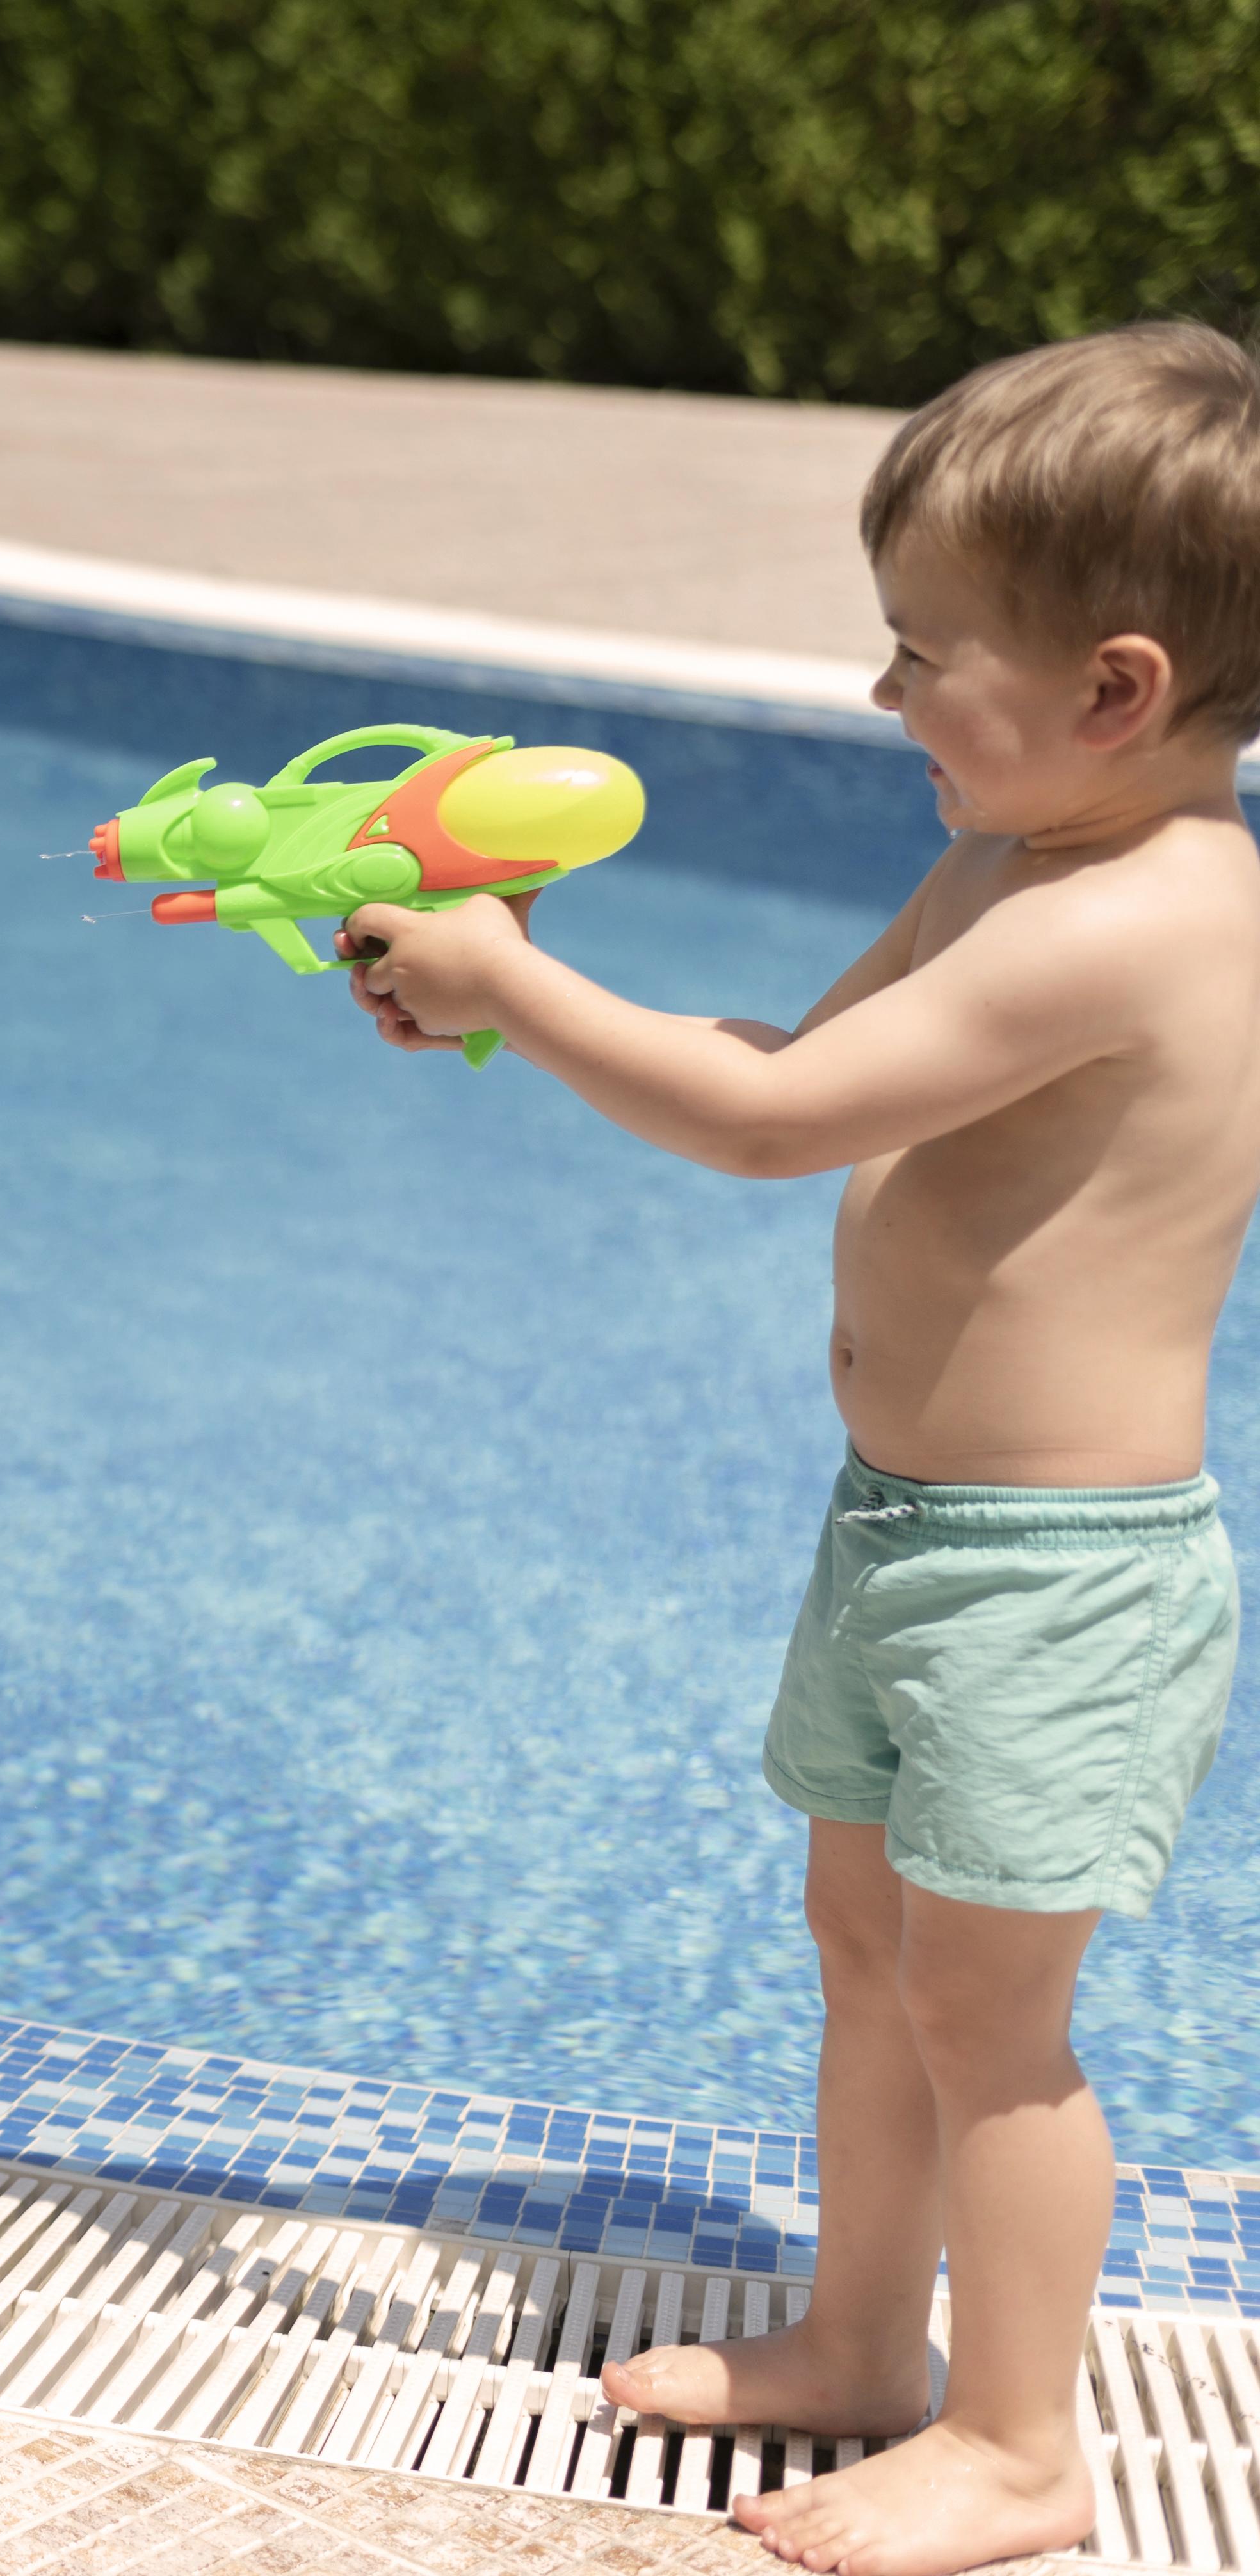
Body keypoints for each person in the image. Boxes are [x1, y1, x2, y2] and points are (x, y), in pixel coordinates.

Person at [344, 321, 1260, 2576]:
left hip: (1058, 1575)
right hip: (915, 1533)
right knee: (867, 1950)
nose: (881, 701)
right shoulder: (1019, 868)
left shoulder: (1145, 919)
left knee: (993, 2017)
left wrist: (511, 994)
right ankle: (863, 2346)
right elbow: (785, 1056)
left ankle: (1026, 2450)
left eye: (922, 656)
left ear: (1117, 691)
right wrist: (526, 976)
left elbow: (759, 1132)